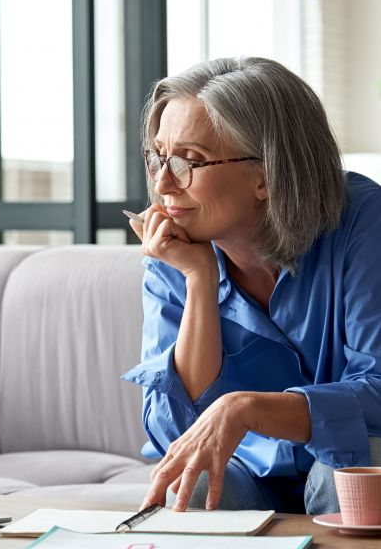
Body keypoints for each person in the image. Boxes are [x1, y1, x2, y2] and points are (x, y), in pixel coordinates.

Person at [122, 56, 381, 515]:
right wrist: (199, 279)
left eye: (190, 161)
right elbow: (172, 430)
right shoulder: (176, 247)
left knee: (340, 475)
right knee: (193, 484)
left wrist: (245, 408)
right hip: (249, 469)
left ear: (266, 174)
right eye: (158, 157)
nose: (163, 183)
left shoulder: (364, 222)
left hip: (356, 457)